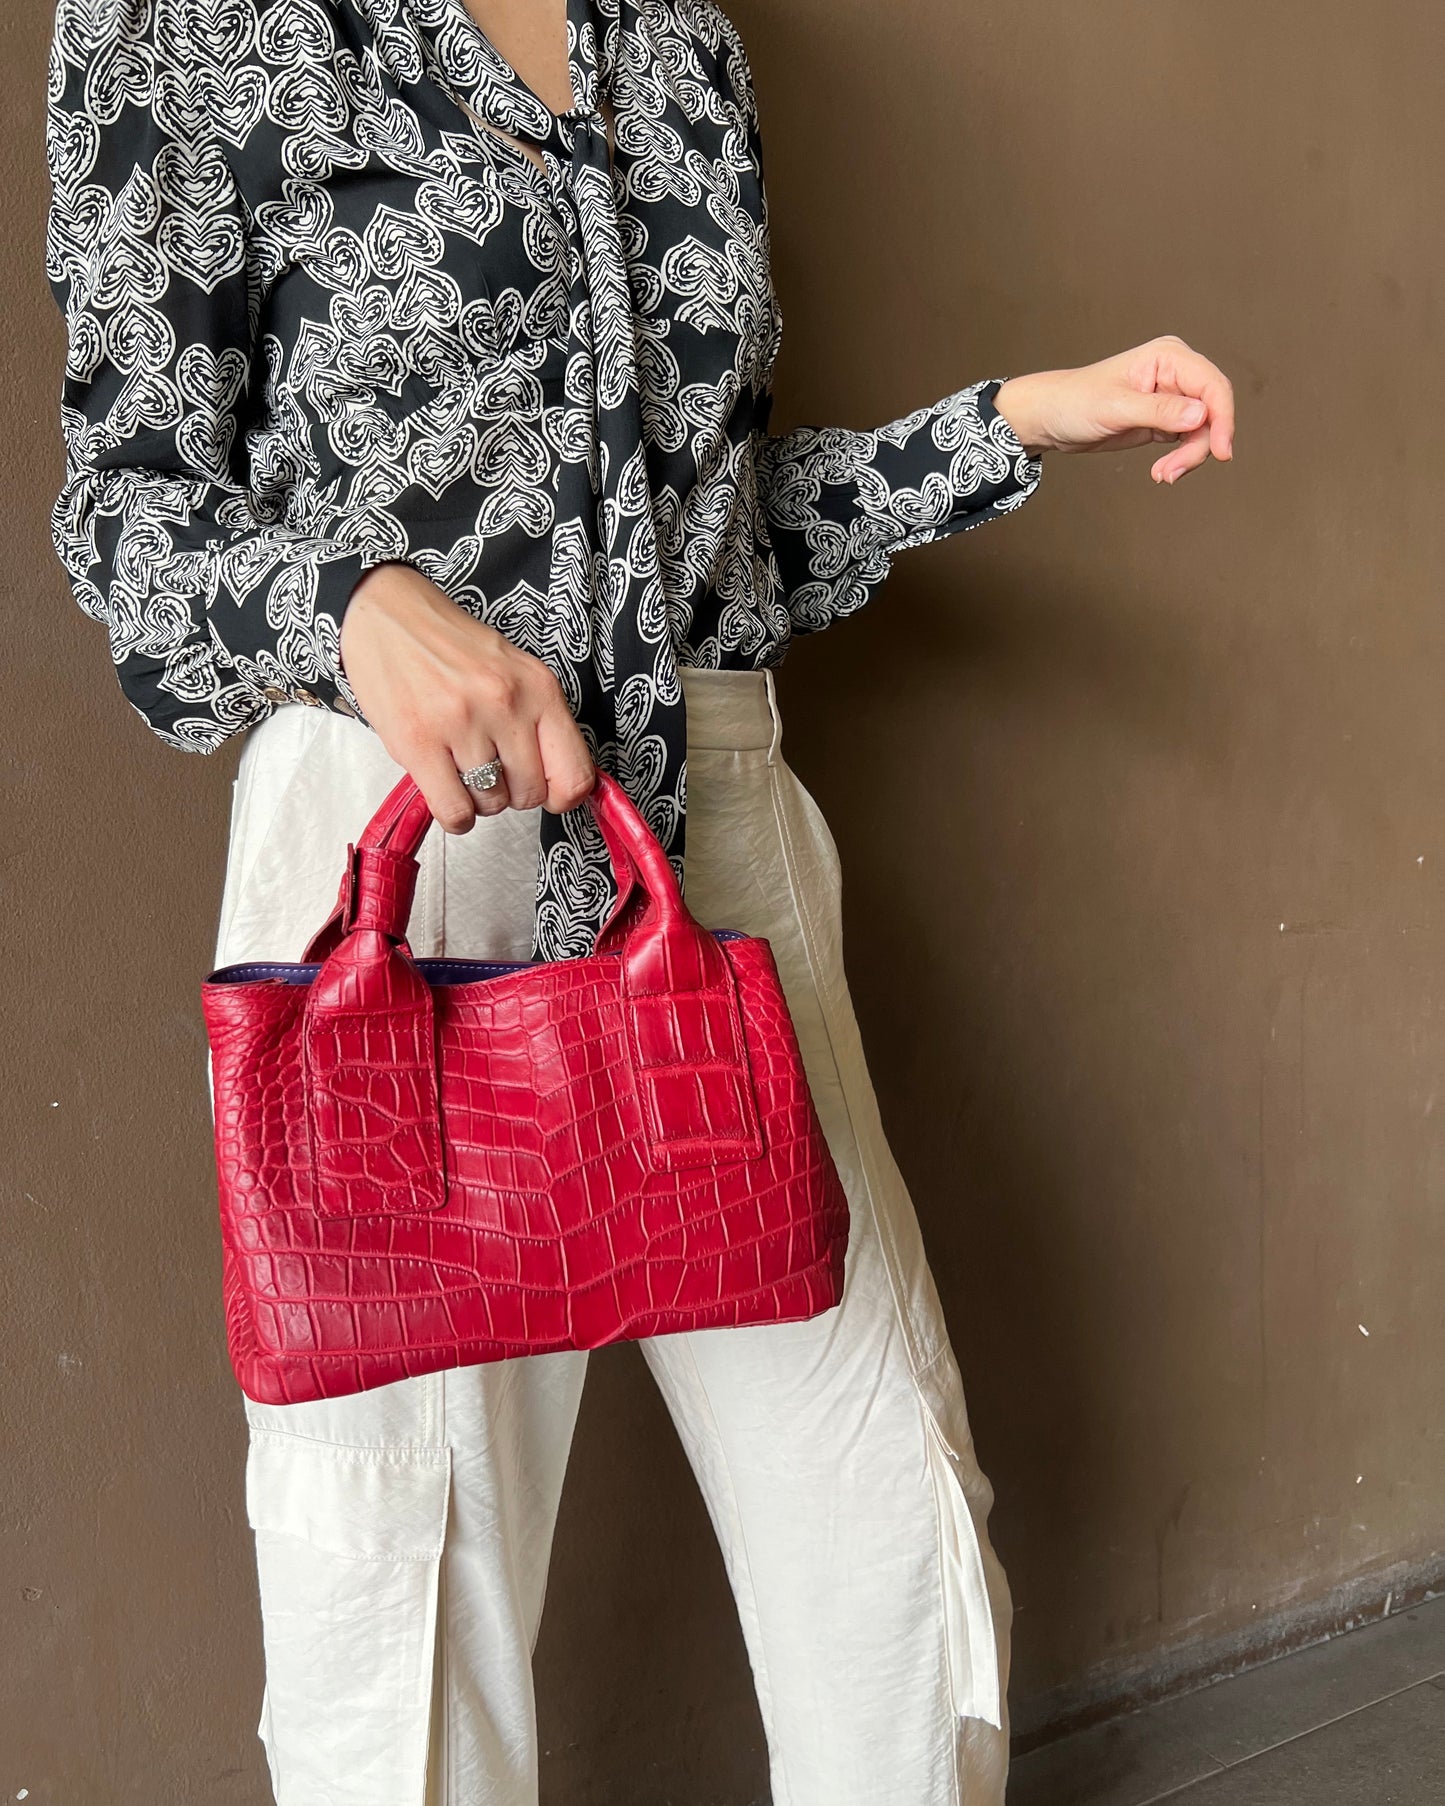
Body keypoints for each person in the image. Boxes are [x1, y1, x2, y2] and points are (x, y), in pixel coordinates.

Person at [44, 1, 1234, 1801]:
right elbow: (127, 516)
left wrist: (1007, 423)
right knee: (404, 1610)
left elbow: (720, 538)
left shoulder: (674, 38)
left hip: (710, 849)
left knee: (887, 1533)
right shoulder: (187, 18)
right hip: (400, 879)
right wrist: (356, 607)